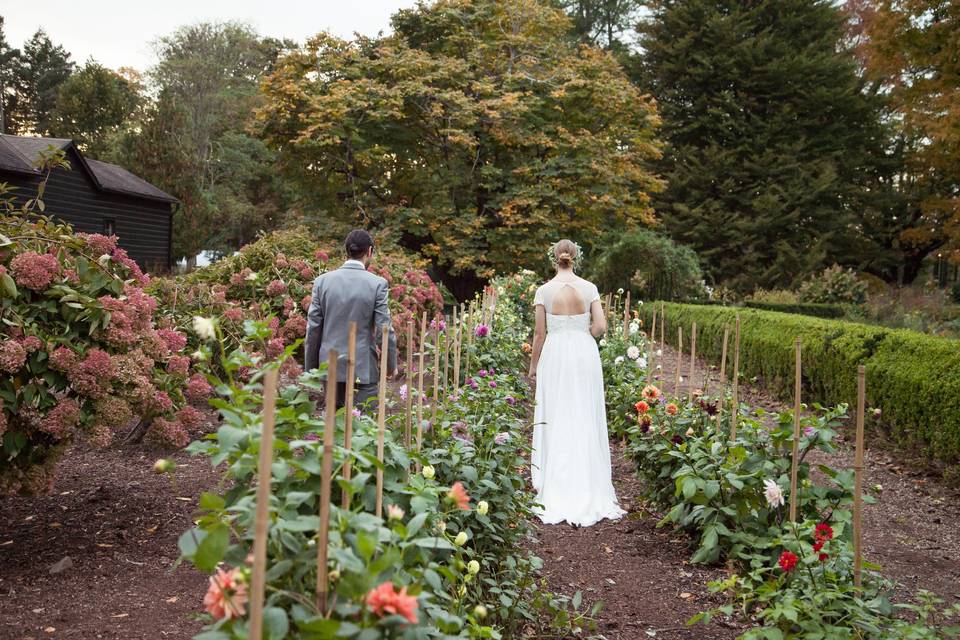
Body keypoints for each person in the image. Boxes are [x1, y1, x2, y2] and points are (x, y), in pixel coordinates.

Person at [527, 239, 625, 527]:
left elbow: (539, 334)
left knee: (557, 413)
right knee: (584, 411)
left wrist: (533, 366)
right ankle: (588, 481)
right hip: (584, 353)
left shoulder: (544, 291)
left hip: (556, 354)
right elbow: (601, 327)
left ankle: (555, 481)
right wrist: (584, 332)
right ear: (575, 257)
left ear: (554, 258)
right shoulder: (589, 288)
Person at [304, 229, 398, 407]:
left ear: (345, 251)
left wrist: (311, 370)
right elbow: (383, 329)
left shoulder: (322, 282)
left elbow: (313, 328)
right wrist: (390, 364)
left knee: (333, 427)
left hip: (329, 368)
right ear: (369, 251)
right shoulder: (377, 284)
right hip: (363, 369)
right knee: (364, 427)